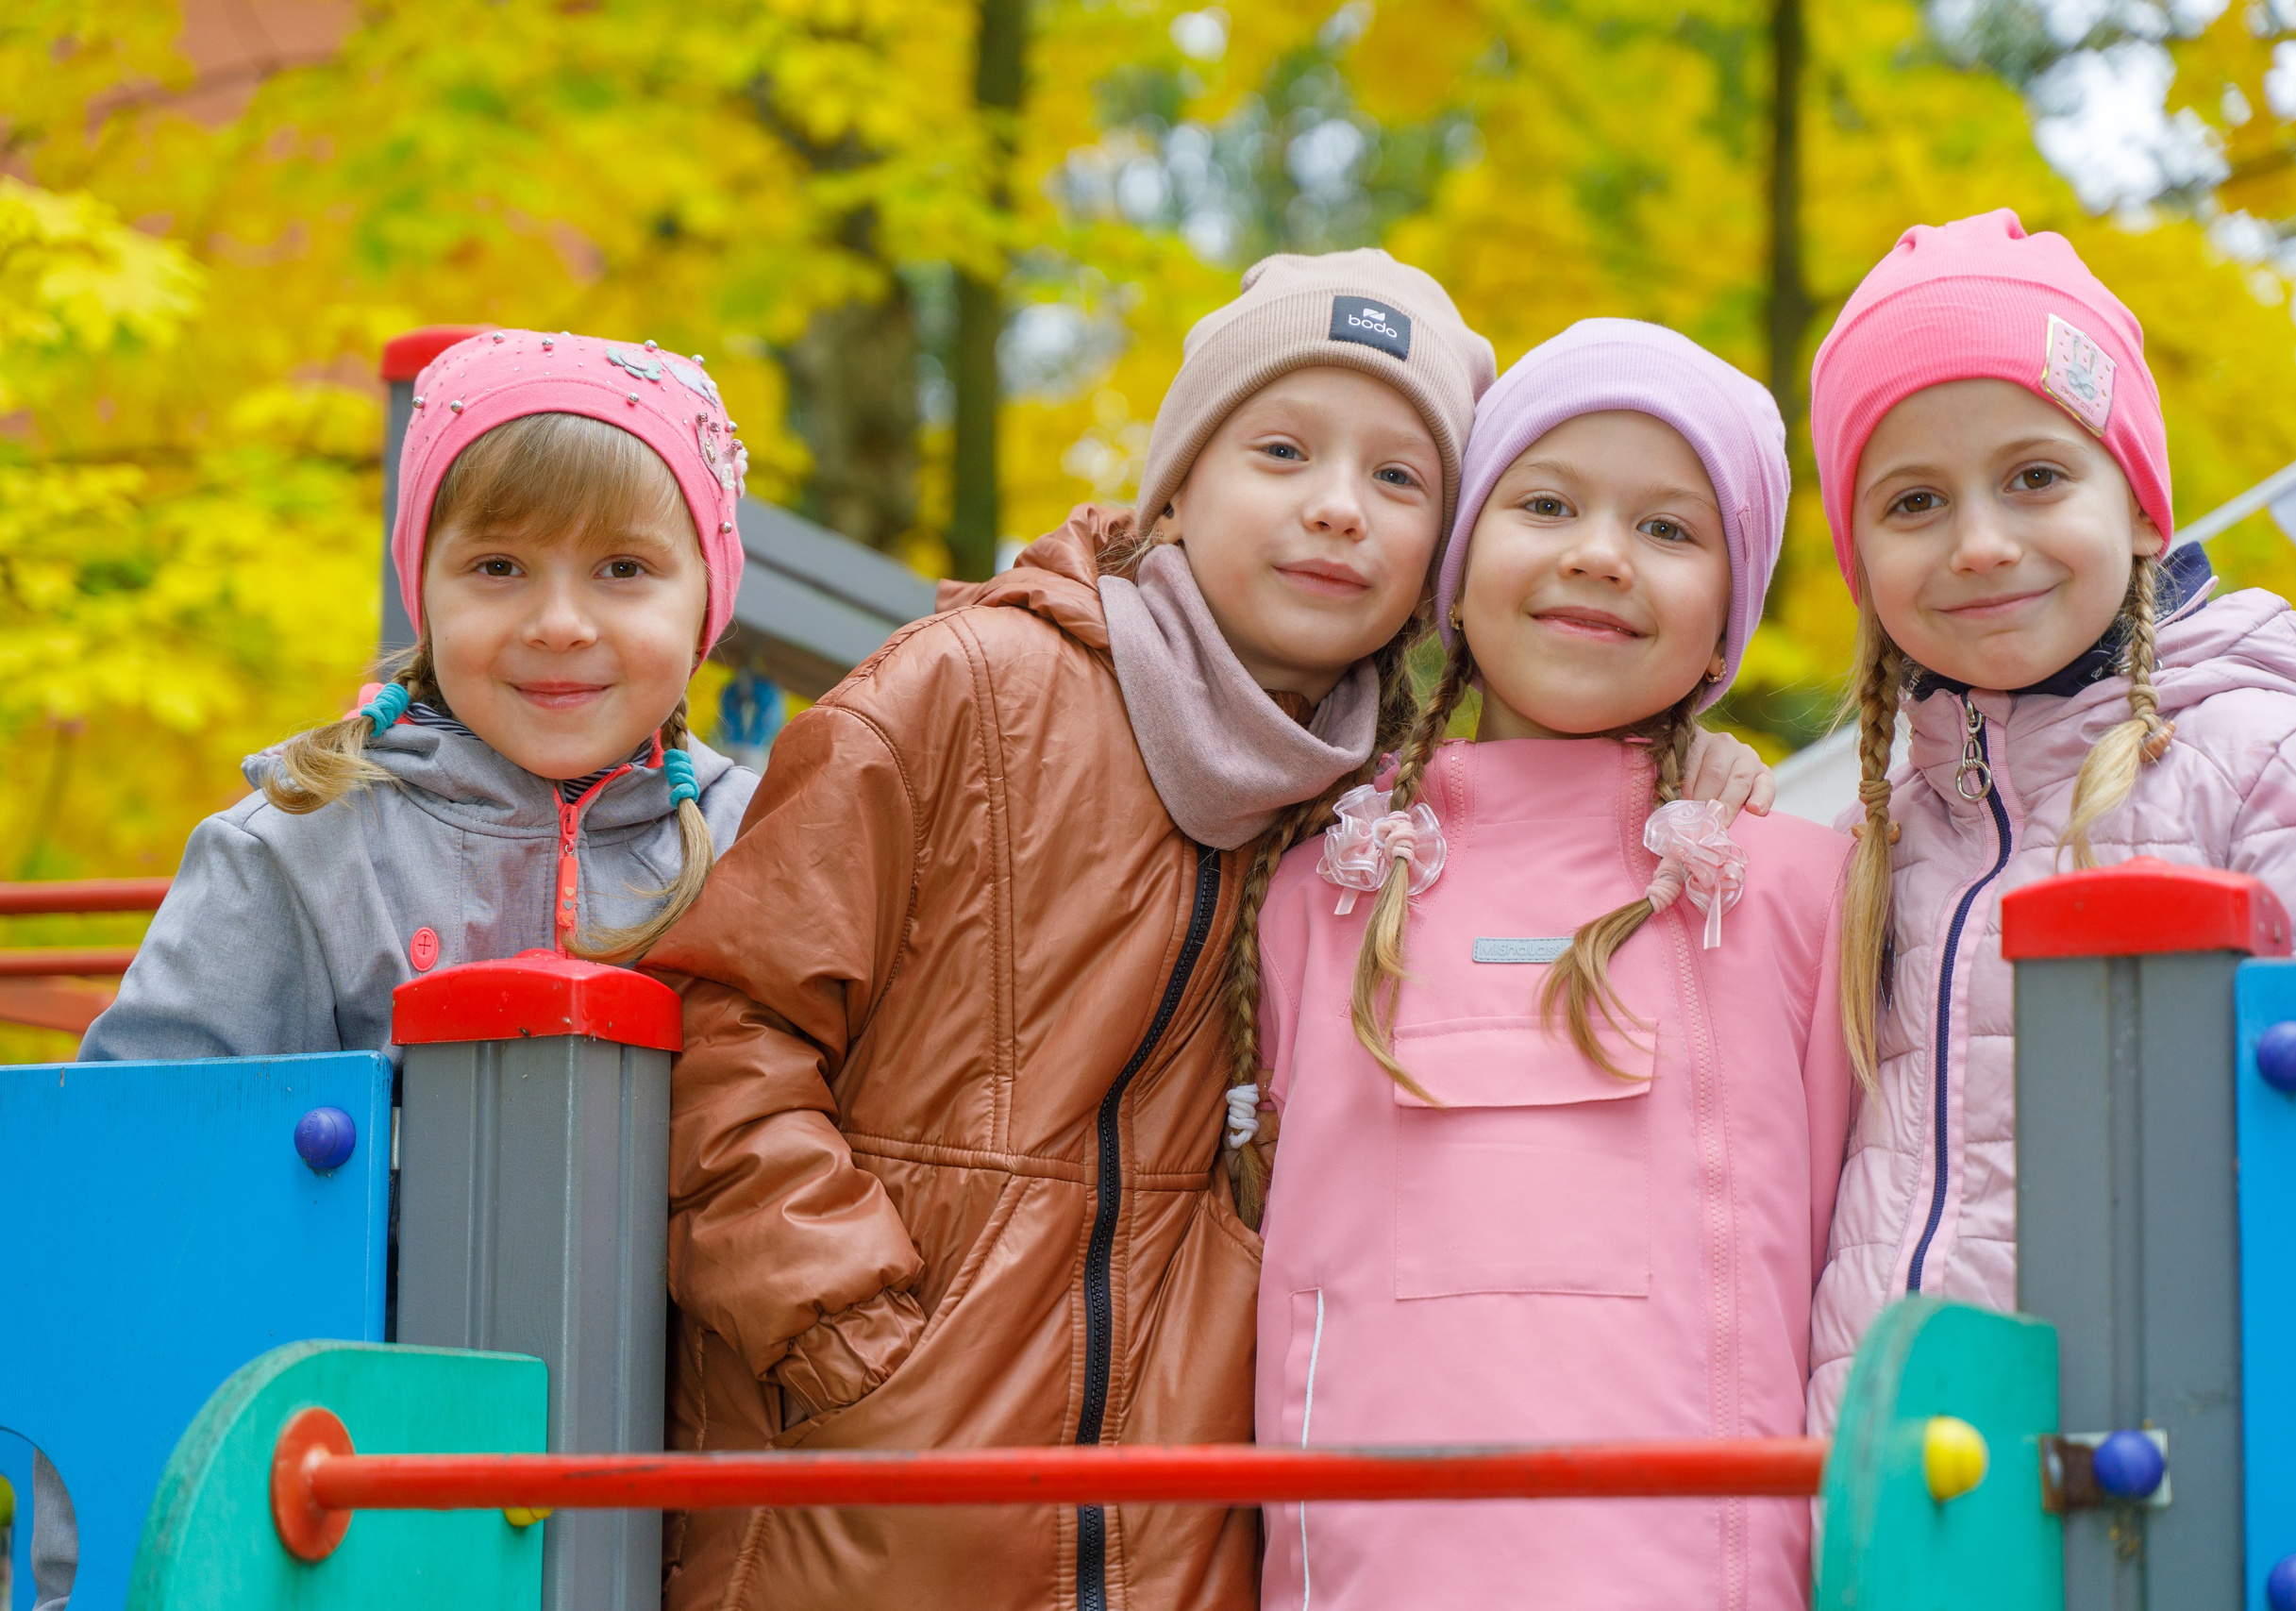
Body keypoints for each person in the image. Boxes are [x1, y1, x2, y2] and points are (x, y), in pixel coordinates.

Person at [645, 255, 1775, 1611]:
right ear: (1176, 484)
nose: (1337, 508)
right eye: (1283, 449)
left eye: (1400, 479)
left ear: (1441, 562)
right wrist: (850, 1334)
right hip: (866, 1506)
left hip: (1158, 1546)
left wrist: (1695, 768)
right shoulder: (967, 691)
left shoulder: (1370, 821)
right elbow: (729, 1015)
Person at [1243, 320, 1849, 1611]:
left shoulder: (1798, 890)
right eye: (1547, 502)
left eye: (1670, 529)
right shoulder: (1316, 888)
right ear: (1454, 575)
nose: (1595, 552)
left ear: (1726, 625)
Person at [1804, 210, 2296, 1429]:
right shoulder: (1880, 836)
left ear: (2140, 504)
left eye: (2036, 476)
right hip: (1901, 1492)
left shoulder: (2267, 767)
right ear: (1859, 555)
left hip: (2172, 1482)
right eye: (1914, 500)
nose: (1982, 542)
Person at [82, 327, 758, 1062]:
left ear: (706, 602)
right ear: (424, 594)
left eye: (623, 569)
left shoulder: (763, 845)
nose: (559, 625)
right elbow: (136, 1137)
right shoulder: (304, 847)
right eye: (499, 566)